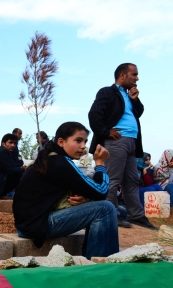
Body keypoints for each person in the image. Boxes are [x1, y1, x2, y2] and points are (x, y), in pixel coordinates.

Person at [13, 122, 118, 259]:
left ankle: (95, 258)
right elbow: (101, 191)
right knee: (106, 209)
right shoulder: (60, 162)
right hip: (38, 225)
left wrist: (86, 199)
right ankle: (98, 265)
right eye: (78, 140)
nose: (83, 146)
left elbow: (89, 190)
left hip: (28, 224)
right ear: (61, 142)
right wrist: (100, 164)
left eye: (85, 141)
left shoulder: (52, 158)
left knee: (103, 207)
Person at [88, 63, 157, 230]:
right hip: (116, 141)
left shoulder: (128, 96)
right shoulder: (107, 92)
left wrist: (135, 99)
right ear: (122, 75)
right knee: (113, 179)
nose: (137, 78)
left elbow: (138, 112)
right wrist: (105, 132)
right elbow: (94, 114)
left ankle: (137, 215)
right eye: (134, 74)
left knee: (132, 180)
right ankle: (112, 214)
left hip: (132, 142)